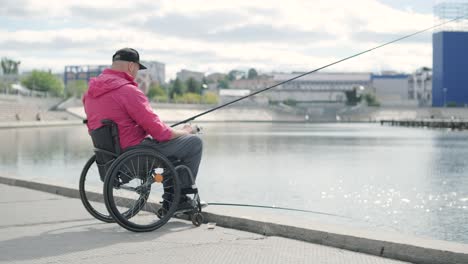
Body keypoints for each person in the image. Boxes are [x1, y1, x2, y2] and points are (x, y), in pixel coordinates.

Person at [83, 48, 203, 211]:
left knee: (170, 146)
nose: (137, 74)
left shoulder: (89, 94)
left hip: (110, 158)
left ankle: (173, 197)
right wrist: (187, 130)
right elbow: (161, 133)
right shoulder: (128, 91)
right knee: (193, 143)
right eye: (138, 69)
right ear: (132, 66)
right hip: (136, 155)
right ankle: (178, 199)